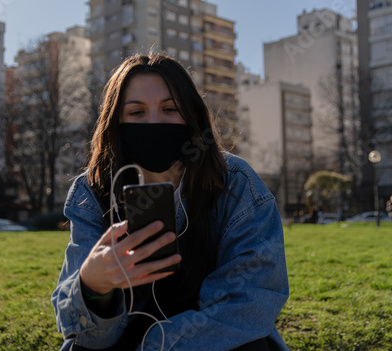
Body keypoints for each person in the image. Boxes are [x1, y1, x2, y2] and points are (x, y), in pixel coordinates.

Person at [51, 52, 289, 351]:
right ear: (116, 121)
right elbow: (83, 335)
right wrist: (93, 286)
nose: (154, 122)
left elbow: (250, 303)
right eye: (136, 113)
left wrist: (157, 345)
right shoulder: (91, 190)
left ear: (192, 116)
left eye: (169, 109)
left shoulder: (236, 182)